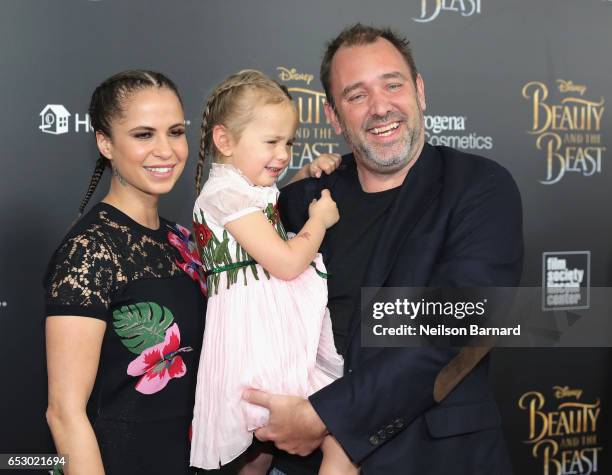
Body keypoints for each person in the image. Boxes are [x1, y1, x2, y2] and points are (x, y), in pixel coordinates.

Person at [243, 24, 524, 474]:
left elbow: (457, 328)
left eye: (392, 85)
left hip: (437, 460)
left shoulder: (479, 187)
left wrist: (323, 416)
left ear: (419, 91)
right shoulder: (301, 202)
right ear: (334, 118)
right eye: (356, 96)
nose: (380, 107)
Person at [189, 69, 357, 475]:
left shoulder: (239, 188)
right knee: (336, 424)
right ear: (224, 140)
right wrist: (318, 220)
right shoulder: (225, 194)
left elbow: (269, 207)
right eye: (271, 142)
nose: (283, 154)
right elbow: (285, 262)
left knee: (263, 447)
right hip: (257, 337)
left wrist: (304, 176)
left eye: (289, 143)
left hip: (267, 328)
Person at [44, 70, 206, 474]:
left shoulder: (183, 240)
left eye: (174, 131)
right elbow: (64, 413)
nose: (166, 150)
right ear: (105, 142)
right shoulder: (90, 250)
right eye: (143, 135)